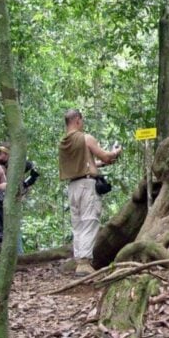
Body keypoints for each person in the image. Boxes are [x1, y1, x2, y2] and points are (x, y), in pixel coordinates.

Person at [58, 109, 122, 276]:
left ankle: (79, 259)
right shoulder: (86, 138)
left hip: (73, 187)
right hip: (87, 186)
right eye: (82, 121)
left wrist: (98, 164)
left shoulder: (63, 143)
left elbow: (85, 162)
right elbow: (107, 157)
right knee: (89, 221)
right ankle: (84, 263)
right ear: (78, 120)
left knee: (78, 224)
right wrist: (115, 152)